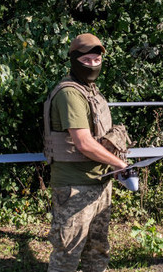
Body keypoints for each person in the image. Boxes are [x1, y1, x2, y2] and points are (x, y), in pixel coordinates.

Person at [43, 33, 129, 272]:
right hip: (75, 187)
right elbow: (83, 143)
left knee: (97, 251)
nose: (92, 65)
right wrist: (119, 164)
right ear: (73, 60)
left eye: (96, 60)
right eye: (86, 60)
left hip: (99, 182)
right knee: (67, 255)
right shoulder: (70, 93)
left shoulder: (90, 90)